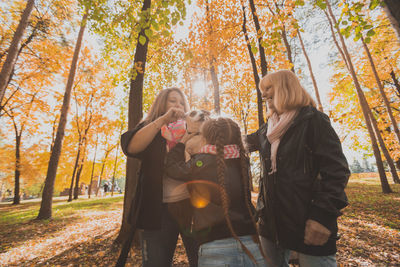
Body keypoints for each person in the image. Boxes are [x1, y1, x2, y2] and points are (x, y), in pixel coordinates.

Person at [246, 70, 350, 266]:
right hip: (270, 226)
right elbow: (237, 142)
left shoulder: (313, 121)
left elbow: (337, 172)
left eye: (268, 88)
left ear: (285, 88)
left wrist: (322, 216)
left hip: (309, 222)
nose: (263, 94)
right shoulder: (265, 130)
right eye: (262, 90)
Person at [165, 117, 267, 267]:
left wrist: (181, 142)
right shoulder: (242, 160)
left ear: (206, 138)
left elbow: (173, 168)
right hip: (252, 244)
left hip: (215, 246)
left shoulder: (200, 162)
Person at [120, 87, 198, 267]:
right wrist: (162, 121)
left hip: (193, 207)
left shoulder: (193, 128)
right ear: (162, 104)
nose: (178, 105)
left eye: (181, 102)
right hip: (157, 210)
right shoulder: (151, 127)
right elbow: (131, 147)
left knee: (203, 260)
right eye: (172, 101)